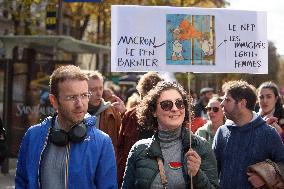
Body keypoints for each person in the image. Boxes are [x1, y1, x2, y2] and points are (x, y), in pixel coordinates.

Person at [15, 65, 117, 189]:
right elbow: (22, 182)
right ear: (54, 101)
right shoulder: (33, 136)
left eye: (84, 95)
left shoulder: (102, 142)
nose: (80, 104)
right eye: (72, 97)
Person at [122, 81, 218, 189]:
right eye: (166, 105)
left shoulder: (201, 147)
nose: (175, 109)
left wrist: (197, 175)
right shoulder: (139, 149)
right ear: (153, 111)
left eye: (179, 103)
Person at [213, 80, 284, 189]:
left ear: (242, 103)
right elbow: (213, 171)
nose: (222, 104)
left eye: (227, 99)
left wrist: (265, 176)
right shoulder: (222, 132)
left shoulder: (269, 133)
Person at [116, 71, 163, 188]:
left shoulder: (166, 115)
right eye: (144, 94)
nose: (147, 100)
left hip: (159, 176)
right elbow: (120, 148)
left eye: (150, 96)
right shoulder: (130, 116)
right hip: (133, 175)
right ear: (140, 94)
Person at [86, 70, 125, 154]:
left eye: (101, 88)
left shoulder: (112, 112)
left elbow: (125, 138)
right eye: (93, 89)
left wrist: (124, 114)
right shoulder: (76, 112)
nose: (99, 93)